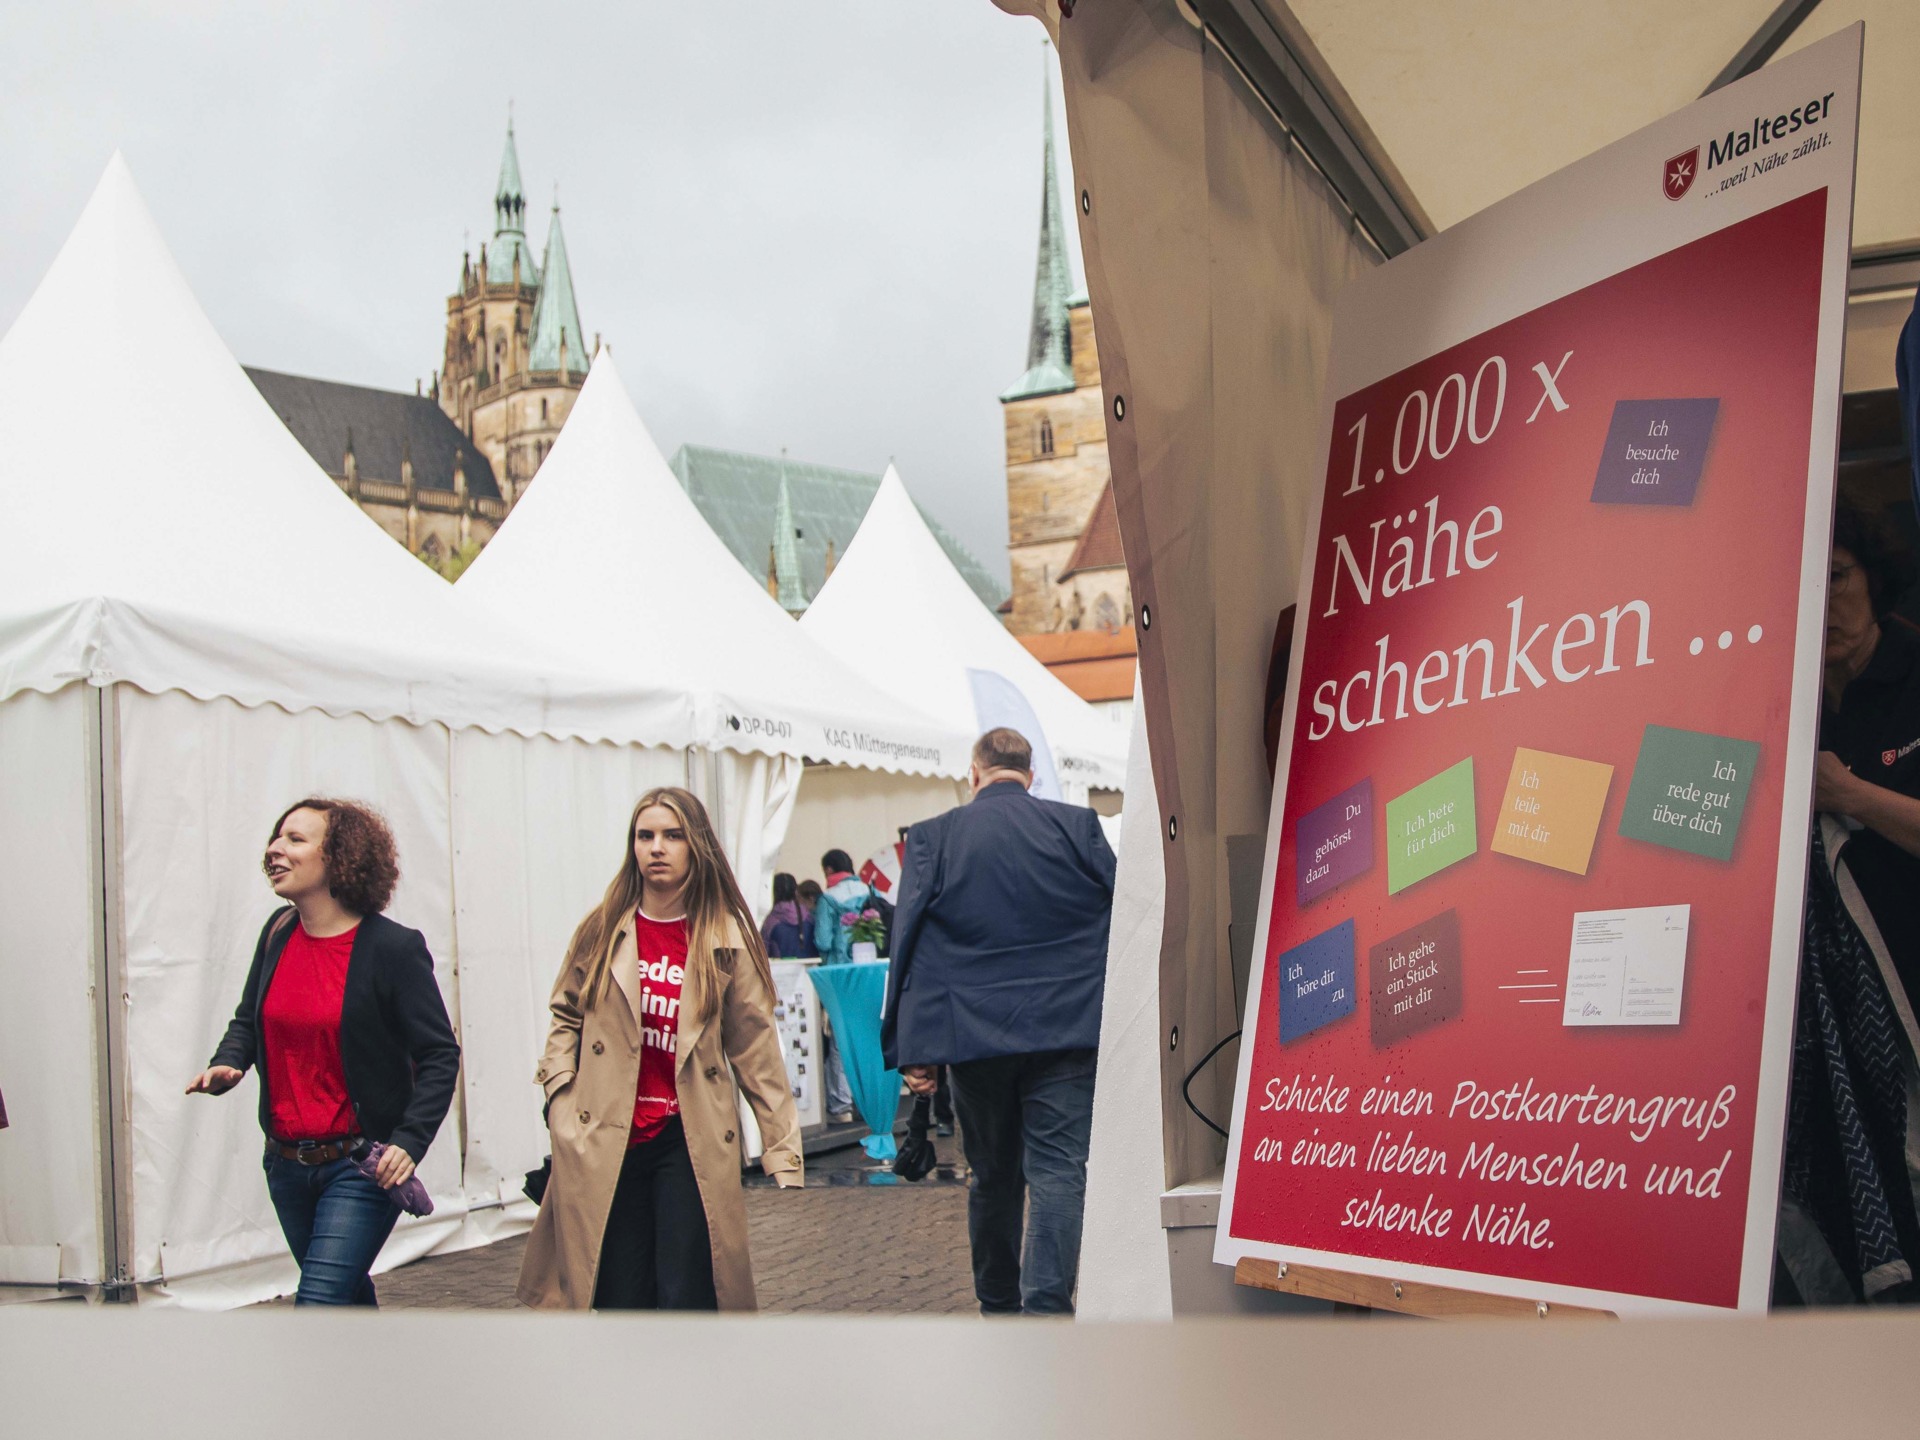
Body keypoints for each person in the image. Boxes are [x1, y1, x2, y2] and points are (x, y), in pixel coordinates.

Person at [516, 787, 801, 1312]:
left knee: (685, 1293)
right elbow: (565, 1012)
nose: (657, 848)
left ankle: (686, 1390)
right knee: (621, 1295)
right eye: (644, 836)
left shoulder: (725, 937)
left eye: (672, 835)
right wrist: (559, 1095)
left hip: (686, 1138)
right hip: (606, 1134)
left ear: (697, 846)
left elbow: (755, 1046)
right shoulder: (604, 929)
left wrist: (781, 1146)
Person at [187, 797, 459, 1307]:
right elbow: (249, 1018)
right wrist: (229, 1061)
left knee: (317, 1305)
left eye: (295, 839)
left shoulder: (392, 949)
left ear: (339, 857)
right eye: (276, 836)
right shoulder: (278, 931)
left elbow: (440, 1053)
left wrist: (410, 1141)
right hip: (286, 1167)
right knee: (345, 1304)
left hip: (358, 1166)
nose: (275, 849)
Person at [883, 727, 1116, 1315]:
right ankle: (1045, 1315)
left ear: (974, 773)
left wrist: (914, 1045)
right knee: (1060, 1173)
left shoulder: (934, 838)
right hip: (1067, 1030)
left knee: (992, 1177)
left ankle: (997, 1308)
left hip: (973, 1037)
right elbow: (1122, 917)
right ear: (1030, 775)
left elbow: (906, 941)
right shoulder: (1077, 827)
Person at [1816, 504, 1920, 1008]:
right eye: (1800, 582)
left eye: (1833, 576)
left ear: (1873, 576)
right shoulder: (1780, 705)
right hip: (1855, 1011)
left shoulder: (1912, 667)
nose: (1817, 598)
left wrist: (1849, 795)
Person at [812, 848, 873, 965]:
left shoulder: (827, 899)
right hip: (870, 963)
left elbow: (823, 941)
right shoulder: (870, 892)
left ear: (828, 870)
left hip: (838, 968)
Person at [762, 872, 808, 958]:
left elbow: (762, 951)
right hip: (809, 969)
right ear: (796, 891)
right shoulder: (808, 916)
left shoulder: (771, 920)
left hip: (780, 969)